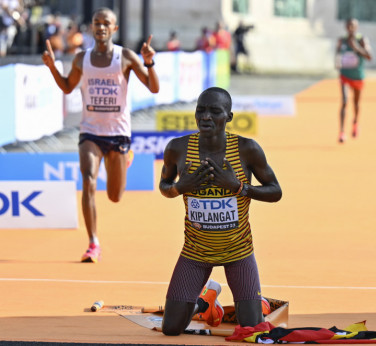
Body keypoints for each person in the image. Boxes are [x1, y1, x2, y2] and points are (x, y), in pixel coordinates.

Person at [159, 87, 282, 335]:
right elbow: (164, 186)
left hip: (238, 252)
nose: (206, 116)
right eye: (200, 110)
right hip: (195, 252)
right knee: (171, 329)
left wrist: (239, 187)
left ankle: (259, 303)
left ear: (229, 116)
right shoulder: (178, 148)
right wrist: (180, 187)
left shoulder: (247, 149)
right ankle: (205, 302)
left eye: (215, 111)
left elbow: (275, 191)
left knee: (251, 330)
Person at [42, 7, 160, 263]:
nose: (101, 27)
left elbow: (153, 87)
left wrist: (149, 62)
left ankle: (125, 157)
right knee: (88, 180)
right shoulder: (81, 59)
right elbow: (67, 87)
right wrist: (52, 67)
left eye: (106, 23)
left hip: (118, 133)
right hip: (91, 132)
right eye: (97, 23)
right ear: (92, 27)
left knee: (115, 196)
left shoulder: (125, 57)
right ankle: (93, 243)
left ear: (114, 28)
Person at [335, 18, 372, 143]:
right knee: (344, 101)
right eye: (348, 25)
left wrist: (356, 48)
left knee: (356, 103)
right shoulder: (342, 40)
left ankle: (355, 122)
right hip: (345, 75)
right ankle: (341, 132)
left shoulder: (361, 40)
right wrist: (337, 63)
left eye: (353, 26)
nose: (350, 28)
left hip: (357, 76)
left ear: (356, 27)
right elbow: (337, 54)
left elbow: (369, 56)